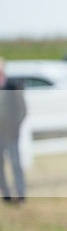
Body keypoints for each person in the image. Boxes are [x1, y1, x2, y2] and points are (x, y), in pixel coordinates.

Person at [0, 57, 27, 203]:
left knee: (15, 163)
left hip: (11, 132)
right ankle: (6, 194)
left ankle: (20, 192)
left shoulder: (12, 85)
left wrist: (15, 126)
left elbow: (22, 109)